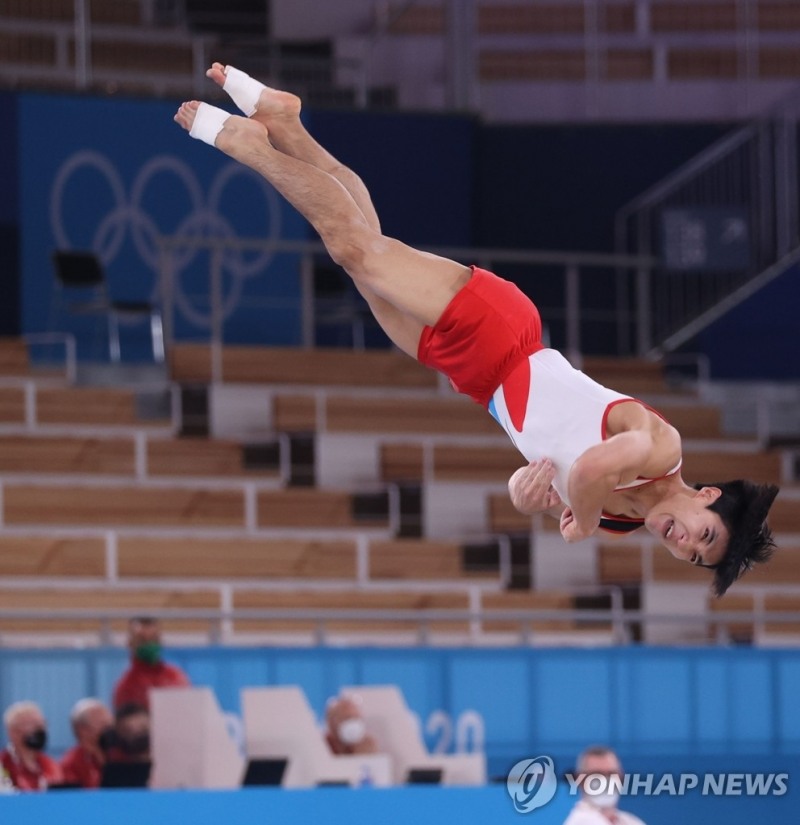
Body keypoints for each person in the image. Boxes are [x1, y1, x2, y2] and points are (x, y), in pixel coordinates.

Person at [174, 64, 779, 596]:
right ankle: (252, 145)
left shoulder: (621, 520)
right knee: (355, 249)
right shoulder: (662, 448)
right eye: (704, 533)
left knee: (362, 245)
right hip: (505, 336)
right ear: (705, 496)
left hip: (481, 383)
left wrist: (524, 496)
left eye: (694, 556)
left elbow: (534, 473)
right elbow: (590, 470)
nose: (684, 543)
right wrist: (582, 522)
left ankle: (286, 123)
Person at [113, 617, 190, 711]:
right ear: (131, 644)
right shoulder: (127, 686)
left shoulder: (175, 676)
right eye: (143, 640)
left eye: (153, 639)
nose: (149, 645)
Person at [564, 745, 646, 825]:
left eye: (611, 774)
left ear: (621, 778)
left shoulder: (632, 821)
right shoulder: (578, 821)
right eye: (597, 774)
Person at [0, 701, 63, 791]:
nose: (40, 729)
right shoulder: (3, 764)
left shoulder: (50, 765)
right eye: (33, 724)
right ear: (13, 732)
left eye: (42, 723)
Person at [60, 698, 115, 788]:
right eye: (103, 724)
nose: (109, 729)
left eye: (110, 723)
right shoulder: (71, 764)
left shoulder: (118, 756)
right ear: (82, 730)